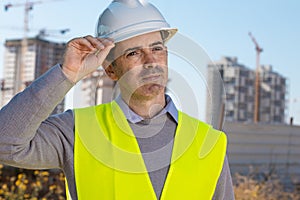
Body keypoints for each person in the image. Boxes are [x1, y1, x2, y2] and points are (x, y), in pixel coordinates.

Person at [0, 0, 234, 199]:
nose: (150, 61)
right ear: (111, 70)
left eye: (157, 48)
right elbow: (5, 141)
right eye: (133, 53)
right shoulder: (75, 131)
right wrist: (67, 74)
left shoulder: (210, 144)